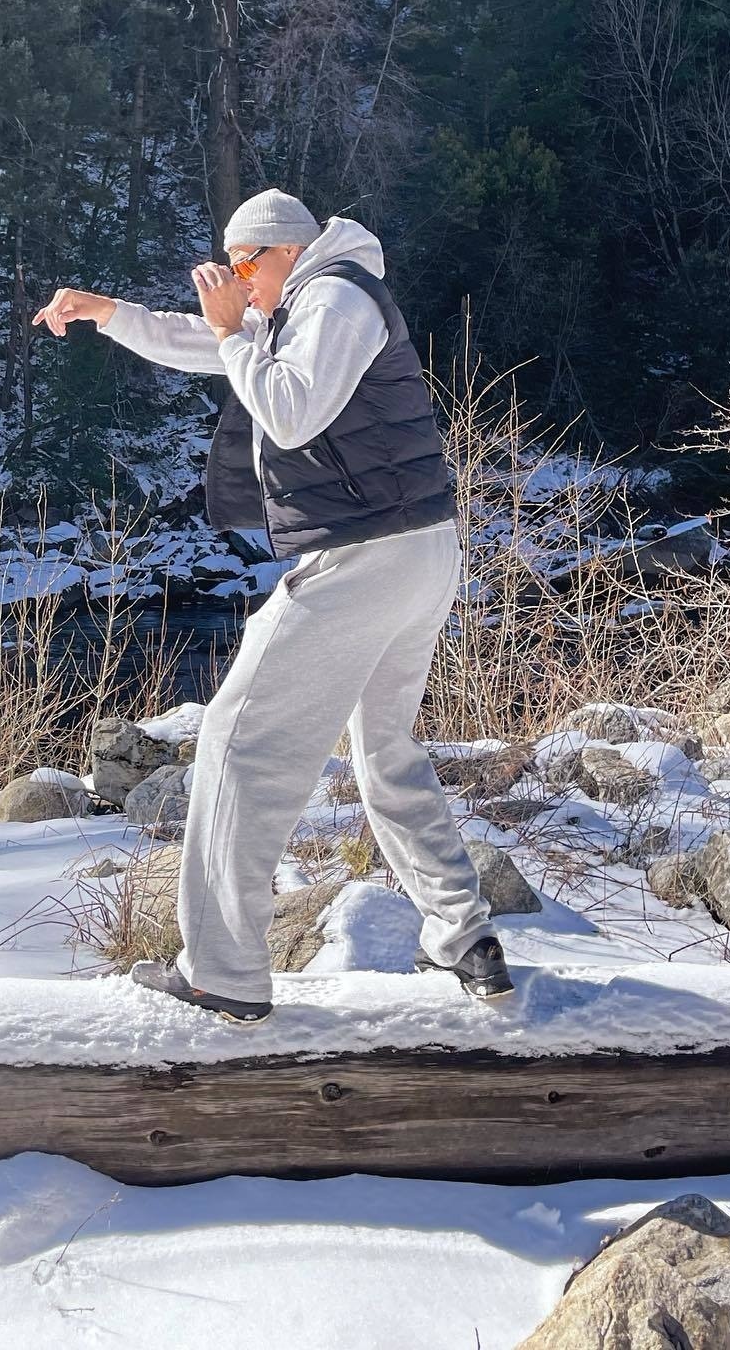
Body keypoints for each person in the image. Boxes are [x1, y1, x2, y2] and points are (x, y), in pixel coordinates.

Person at [31, 188, 512, 1025]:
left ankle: (222, 973)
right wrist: (109, 313)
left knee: (236, 742)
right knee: (385, 751)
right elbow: (203, 341)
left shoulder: (335, 298)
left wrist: (231, 332)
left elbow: (288, 412)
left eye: (242, 264)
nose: (234, 280)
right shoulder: (308, 303)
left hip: (364, 556)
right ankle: (465, 937)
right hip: (416, 549)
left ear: (285, 250)